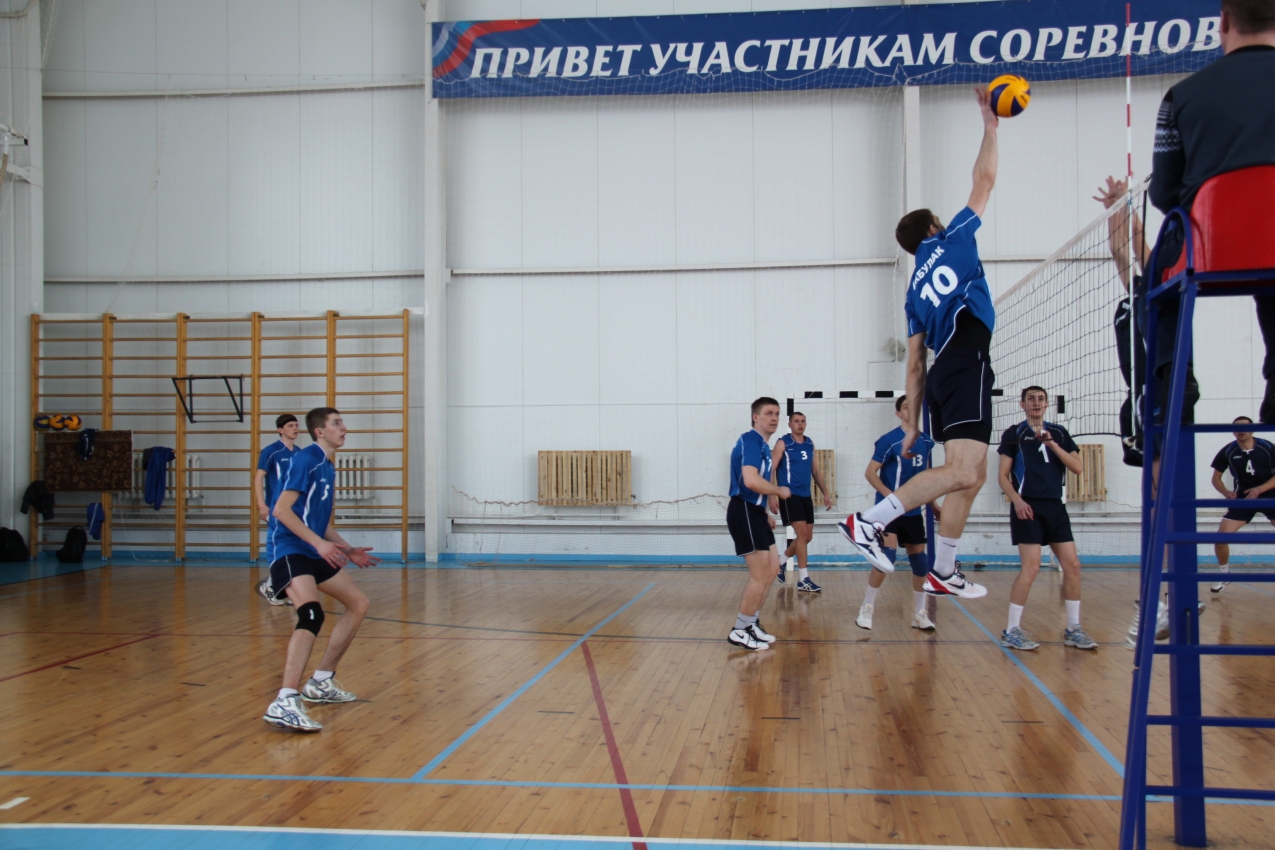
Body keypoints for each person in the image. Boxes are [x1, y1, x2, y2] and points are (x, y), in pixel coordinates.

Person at [840, 87, 998, 601]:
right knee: (963, 470)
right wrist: (990, 126)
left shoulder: (912, 293)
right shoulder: (954, 238)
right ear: (933, 227)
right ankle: (869, 522)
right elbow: (984, 180)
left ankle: (943, 569)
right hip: (967, 359)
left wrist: (913, 423)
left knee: (972, 475)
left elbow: (913, 363)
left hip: (942, 377)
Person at [1149, 0, 1275, 423]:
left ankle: (1175, 378)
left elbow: (1164, 193)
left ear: (1224, 21)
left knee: (1153, 276)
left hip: (1211, 250)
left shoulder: (1181, 96)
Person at [262, 407, 379, 733]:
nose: (344, 428)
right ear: (320, 431)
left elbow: (319, 522)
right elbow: (281, 511)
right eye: (337, 423)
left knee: (358, 603)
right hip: (289, 548)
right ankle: (285, 700)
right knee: (311, 614)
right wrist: (319, 544)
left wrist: (346, 548)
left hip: (312, 548)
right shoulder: (306, 459)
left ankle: (321, 681)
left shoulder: (327, 466)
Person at [996, 387, 1097, 651]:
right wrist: (1017, 501)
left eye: (1041, 399)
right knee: (1031, 568)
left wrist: (1052, 443)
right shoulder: (1014, 433)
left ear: (1047, 404)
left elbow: (1077, 467)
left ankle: (1073, 629)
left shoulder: (1060, 432)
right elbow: (1002, 476)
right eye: (1031, 399)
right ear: (1022, 404)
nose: (1036, 403)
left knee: (1073, 566)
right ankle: (1011, 630)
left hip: (1055, 506)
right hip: (1027, 506)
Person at [856, 395, 941, 631]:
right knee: (888, 557)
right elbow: (870, 473)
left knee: (920, 562)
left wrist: (934, 504)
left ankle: (920, 614)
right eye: (905, 407)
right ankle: (867, 607)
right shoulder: (889, 441)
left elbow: (927, 478)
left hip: (913, 510)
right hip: (889, 511)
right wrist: (891, 497)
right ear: (898, 413)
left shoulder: (925, 441)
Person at [1094, 176, 1150, 467]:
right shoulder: (1135, 294)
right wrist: (1113, 209)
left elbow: (1137, 239)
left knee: (1158, 460)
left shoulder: (1157, 288)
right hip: (1136, 392)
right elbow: (1119, 251)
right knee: (1144, 462)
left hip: (1154, 389)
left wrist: (1127, 201)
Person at [726, 397, 789, 652]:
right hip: (743, 510)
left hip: (755, 512)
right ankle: (740, 630)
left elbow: (757, 485)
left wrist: (764, 510)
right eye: (769, 413)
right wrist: (779, 491)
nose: (774, 418)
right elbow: (750, 481)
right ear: (756, 417)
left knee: (772, 570)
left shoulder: (763, 445)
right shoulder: (751, 440)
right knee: (760, 575)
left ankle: (751, 624)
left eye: (777, 414)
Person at [1209, 416, 1275, 593]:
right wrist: (1226, 492)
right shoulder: (1228, 450)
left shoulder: (1267, 447)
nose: (1241, 430)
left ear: (1252, 430)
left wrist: (1260, 489)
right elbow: (1216, 478)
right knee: (1220, 539)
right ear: (1233, 431)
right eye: (1237, 428)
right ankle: (1224, 575)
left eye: (1245, 427)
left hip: (1270, 495)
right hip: (1244, 498)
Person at [769, 411, 834, 593]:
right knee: (802, 535)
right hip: (789, 495)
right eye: (796, 421)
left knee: (807, 537)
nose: (800, 424)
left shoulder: (809, 443)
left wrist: (825, 493)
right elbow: (770, 469)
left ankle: (780, 562)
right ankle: (804, 579)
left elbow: (815, 471)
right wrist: (771, 495)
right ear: (789, 424)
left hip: (806, 496)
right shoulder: (783, 443)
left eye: (803, 421)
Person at [255, 414, 300, 606]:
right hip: (276, 509)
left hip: (294, 509)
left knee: (293, 548)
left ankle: (285, 588)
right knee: (279, 547)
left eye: (296, 425)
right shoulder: (271, 451)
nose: (295, 428)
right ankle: (271, 586)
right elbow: (258, 478)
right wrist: (261, 505)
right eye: (290, 425)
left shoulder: (299, 453)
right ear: (280, 430)